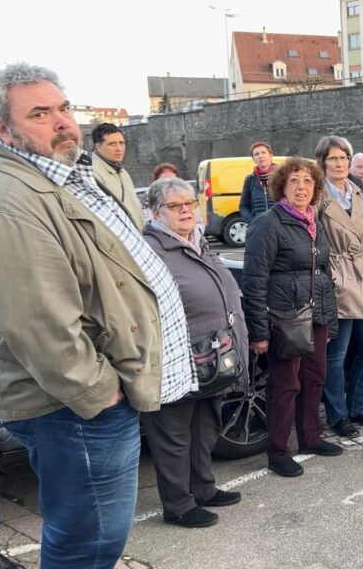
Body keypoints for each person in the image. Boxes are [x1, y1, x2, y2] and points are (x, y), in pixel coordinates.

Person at [0, 63, 194, 567]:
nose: (62, 121)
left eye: (63, 107)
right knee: (88, 542)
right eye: (40, 113)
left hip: (87, 404)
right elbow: (37, 319)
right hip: (77, 408)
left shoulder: (60, 172)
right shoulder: (13, 197)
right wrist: (98, 393)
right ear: (4, 129)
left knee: (93, 536)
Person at [141, 177, 250, 528]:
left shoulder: (196, 240)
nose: (186, 210)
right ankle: (178, 504)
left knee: (206, 425)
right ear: (156, 212)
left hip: (212, 356)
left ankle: (202, 487)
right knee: (173, 435)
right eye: (176, 206)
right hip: (175, 359)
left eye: (189, 203)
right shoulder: (150, 250)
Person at [242, 157, 342, 477]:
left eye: (308, 181)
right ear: (281, 186)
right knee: (285, 386)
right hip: (286, 318)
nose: (302, 187)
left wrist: (330, 318)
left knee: (314, 380)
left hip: (317, 315)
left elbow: (323, 271)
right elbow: (254, 280)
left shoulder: (314, 220)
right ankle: (278, 451)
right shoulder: (268, 223)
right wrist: (259, 332)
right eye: (295, 181)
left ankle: (310, 438)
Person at [315, 136, 363, 439]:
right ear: (323, 163)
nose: (339, 163)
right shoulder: (318, 197)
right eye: (333, 159)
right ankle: (338, 414)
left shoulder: (358, 191)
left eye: (343, 157)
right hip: (337, 275)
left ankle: (358, 407)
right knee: (337, 353)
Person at [91, 122, 144, 228]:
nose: (119, 148)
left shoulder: (123, 172)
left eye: (121, 143)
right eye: (112, 144)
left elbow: (136, 207)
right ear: (98, 147)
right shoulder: (93, 174)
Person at [239, 141, 277, 225]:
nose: (260, 156)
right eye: (256, 154)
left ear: (271, 156)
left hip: (280, 228)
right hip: (259, 229)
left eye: (263, 152)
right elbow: (243, 206)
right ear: (253, 159)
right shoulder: (250, 180)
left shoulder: (282, 177)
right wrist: (253, 222)